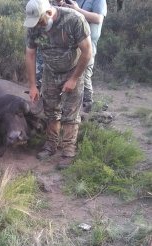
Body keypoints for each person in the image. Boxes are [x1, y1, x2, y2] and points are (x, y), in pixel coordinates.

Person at [24, 0, 92, 166]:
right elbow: (30, 55)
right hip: (50, 72)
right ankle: (51, 144)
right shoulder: (33, 26)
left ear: (48, 13)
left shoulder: (74, 19)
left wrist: (74, 79)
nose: (38, 26)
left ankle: (68, 149)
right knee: (51, 110)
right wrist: (33, 85)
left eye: (40, 22)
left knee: (71, 111)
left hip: (73, 70)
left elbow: (87, 51)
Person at [60, 0, 107, 112]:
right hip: (69, 45)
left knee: (85, 76)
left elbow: (98, 19)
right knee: (68, 77)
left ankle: (88, 110)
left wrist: (77, 10)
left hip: (88, 44)